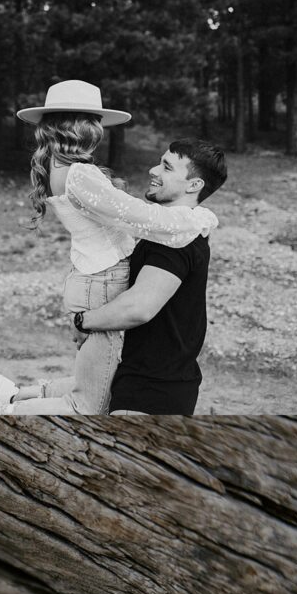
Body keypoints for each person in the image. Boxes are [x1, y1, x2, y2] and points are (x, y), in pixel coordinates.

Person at [8, 80, 220, 415]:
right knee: (87, 406)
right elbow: (138, 216)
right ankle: (3, 414)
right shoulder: (80, 175)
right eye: (94, 122)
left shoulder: (59, 168)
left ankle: (18, 397)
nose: (98, 130)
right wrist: (197, 217)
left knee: (102, 384)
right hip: (101, 281)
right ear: (80, 127)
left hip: (93, 279)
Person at [72, 138, 228, 415]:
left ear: (194, 185)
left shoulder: (176, 240)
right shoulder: (177, 231)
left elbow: (139, 307)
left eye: (166, 167)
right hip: (156, 381)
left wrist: (82, 321)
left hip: (152, 391)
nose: (153, 171)